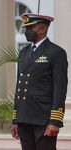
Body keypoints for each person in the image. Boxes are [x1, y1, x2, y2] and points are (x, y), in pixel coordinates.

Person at [11, 13, 68, 150]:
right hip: (24, 118)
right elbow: (20, 86)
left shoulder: (56, 52)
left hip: (43, 119)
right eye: (26, 28)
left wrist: (55, 121)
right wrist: (15, 119)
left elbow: (60, 88)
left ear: (42, 29)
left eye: (31, 27)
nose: (27, 31)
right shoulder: (23, 52)